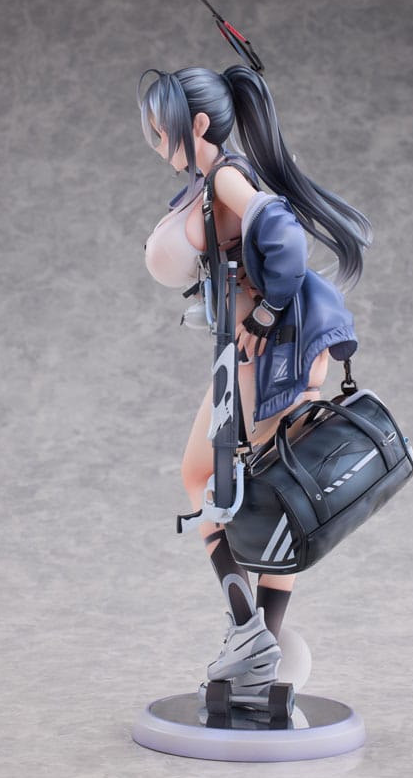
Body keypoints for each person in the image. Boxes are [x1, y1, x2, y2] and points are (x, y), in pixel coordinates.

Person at [139, 62, 372, 701]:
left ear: (198, 124)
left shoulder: (226, 175)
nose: (157, 144)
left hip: (275, 355)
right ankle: (254, 637)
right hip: (249, 358)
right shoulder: (207, 181)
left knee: (247, 489)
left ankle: (253, 637)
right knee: (221, 480)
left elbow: (283, 232)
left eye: (162, 131)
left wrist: (265, 312)